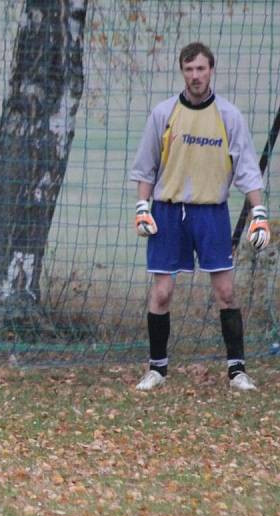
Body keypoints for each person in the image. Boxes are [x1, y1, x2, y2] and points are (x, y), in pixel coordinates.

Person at [131, 41, 269, 392]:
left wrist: (260, 213)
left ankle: (237, 371)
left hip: (211, 213)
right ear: (182, 72)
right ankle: (157, 369)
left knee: (225, 290)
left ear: (211, 70)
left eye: (201, 69)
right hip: (167, 211)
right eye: (189, 69)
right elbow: (145, 169)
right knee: (161, 293)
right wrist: (142, 208)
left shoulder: (229, 116)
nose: (195, 76)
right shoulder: (163, 114)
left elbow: (248, 171)